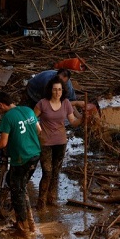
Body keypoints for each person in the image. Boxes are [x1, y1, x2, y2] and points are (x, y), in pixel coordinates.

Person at [0, 91, 41, 237]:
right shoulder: (28, 110)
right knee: (14, 181)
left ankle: (22, 226)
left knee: (18, 191)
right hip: (35, 155)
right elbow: (39, 130)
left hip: (21, 158)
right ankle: (25, 219)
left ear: (1, 105)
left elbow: (3, 143)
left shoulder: (8, 117)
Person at [34, 76, 83, 209]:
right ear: (50, 90)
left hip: (61, 142)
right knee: (47, 171)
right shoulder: (42, 103)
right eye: (55, 90)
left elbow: (73, 122)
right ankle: (41, 201)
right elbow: (32, 120)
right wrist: (39, 132)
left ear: (63, 91)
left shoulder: (66, 103)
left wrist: (84, 119)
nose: (57, 92)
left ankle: (52, 199)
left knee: (56, 171)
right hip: (45, 142)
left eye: (60, 90)